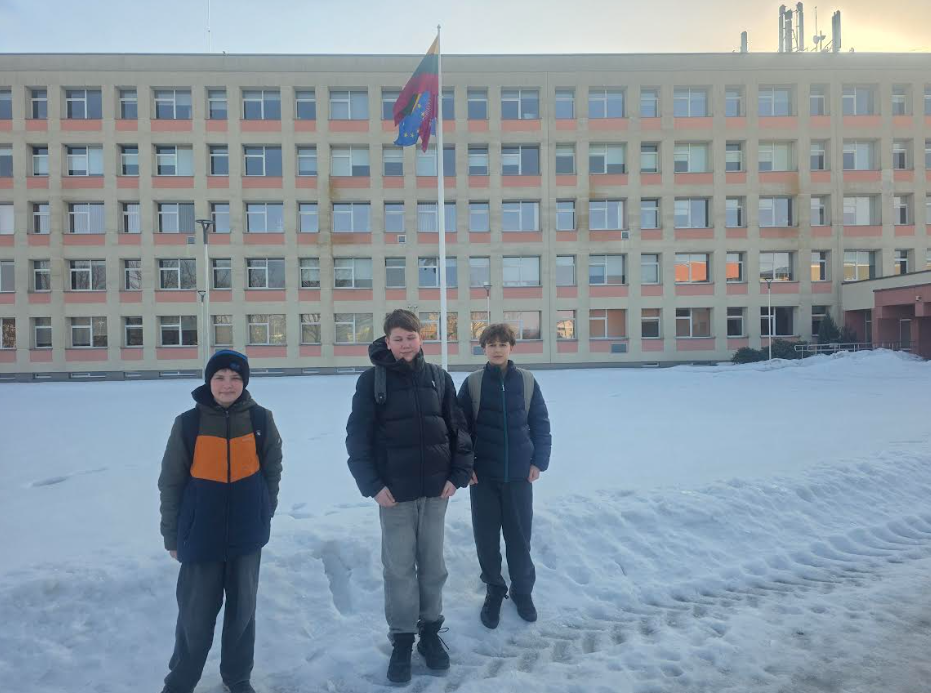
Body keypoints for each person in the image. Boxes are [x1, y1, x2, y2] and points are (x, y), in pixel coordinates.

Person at [346, 309, 473, 684]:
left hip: (436, 492)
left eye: (411, 337)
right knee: (399, 569)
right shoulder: (372, 381)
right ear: (387, 342)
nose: (405, 344)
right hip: (395, 496)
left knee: (433, 567)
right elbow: (357, 438)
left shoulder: (438, 377)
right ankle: (402, 640)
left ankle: (430, 634)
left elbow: (458, 428)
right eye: (398, 338)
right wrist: (373, 485)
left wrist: (458, 475)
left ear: (421, 339)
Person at [157, 350, 283, 693]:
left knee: (242, 613)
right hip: (200, 536)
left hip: (246, 536)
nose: (228, 385)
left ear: (245, 382)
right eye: (220, 377)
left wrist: (264, 512)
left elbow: (272, 471)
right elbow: (171, 482)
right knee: (194, 616)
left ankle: (237, 677)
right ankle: (181, 681)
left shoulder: (260, 419)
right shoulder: (189, 424)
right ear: (208, 381)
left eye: (235, 378)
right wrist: (172, 535)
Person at [457, 323, 552, 629]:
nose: (497, 349)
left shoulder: (526, 381)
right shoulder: (473, 384)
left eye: (502, 344)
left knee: (519, 539)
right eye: (491, 344)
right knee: (486, 540)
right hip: (483, 477)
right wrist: (465, 466)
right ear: (483, 348)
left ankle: (522, 592)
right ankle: (495, 590)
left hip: (519, 477)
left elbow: (540, 423)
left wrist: (539, 462)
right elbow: (459, 430)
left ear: (511, 347)